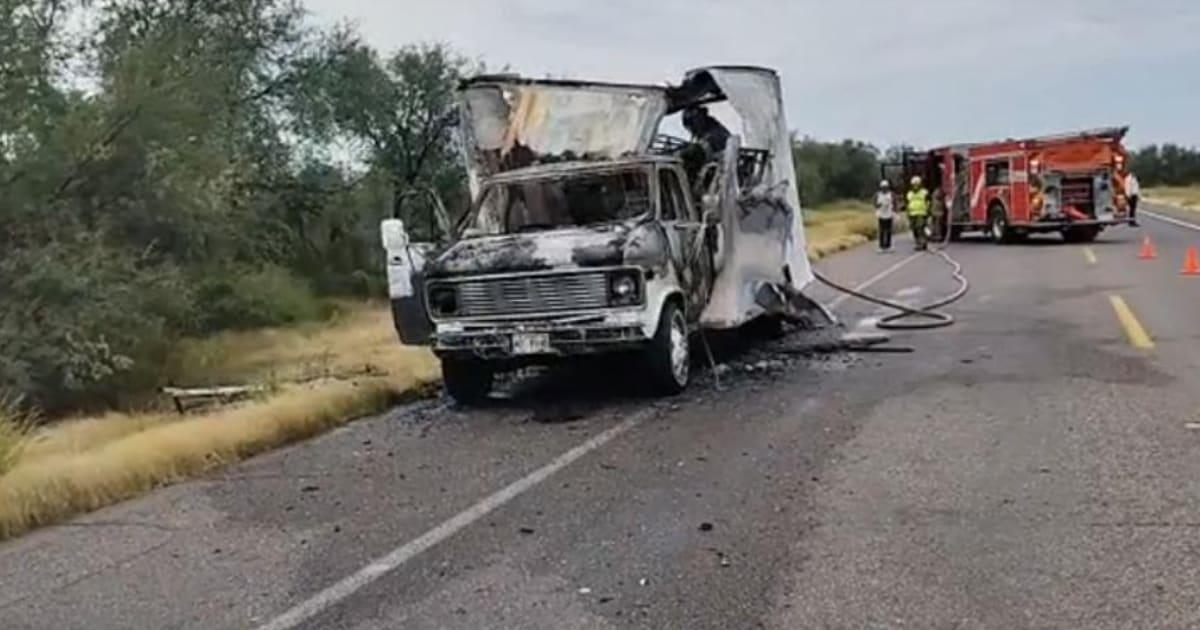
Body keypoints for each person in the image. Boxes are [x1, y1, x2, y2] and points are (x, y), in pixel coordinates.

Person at [906, 176, 930, 250]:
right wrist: (908, 214)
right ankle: (918, 243)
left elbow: (928, 202)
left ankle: (922, 243)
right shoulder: (909, 194)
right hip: (912, 214)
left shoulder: (924, 192)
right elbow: (907, 204)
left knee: (920, 228)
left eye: (917, 184)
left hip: (921, 214)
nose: (915, 186)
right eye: (914, 184)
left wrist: (928, 213)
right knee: (914, 230)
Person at [874, 179, 895, 252]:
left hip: (889, 214)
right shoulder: (878, 195)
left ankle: (888, 246)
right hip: (881, 214)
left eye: (886, 187)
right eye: (883, 187)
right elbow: (875, 204)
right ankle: (881, 246)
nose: (884, 189)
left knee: (889, 231)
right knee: (882, 231)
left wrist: (895, 212)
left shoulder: (891, 194)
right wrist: (879, 205)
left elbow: (894, 203)